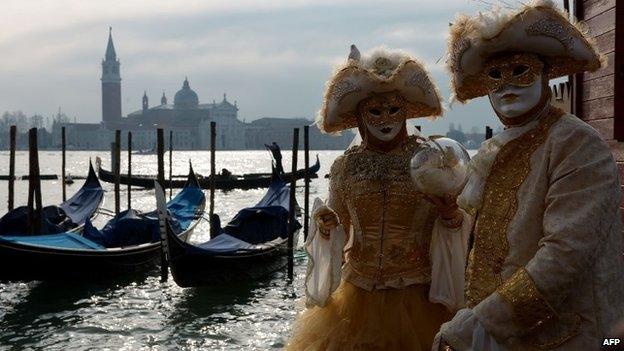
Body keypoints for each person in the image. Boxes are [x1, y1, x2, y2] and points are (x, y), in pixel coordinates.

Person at [433, 1, 624, 350]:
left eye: (520, 70)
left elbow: (566, 254)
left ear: (545, 75)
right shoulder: (498, 148)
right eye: (495, 75)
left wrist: (483, 322)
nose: (507, 85)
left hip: (570, 336)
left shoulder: (576, 143)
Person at [286, 46, 471, 351]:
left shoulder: (429, 161)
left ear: (406, 112)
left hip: (419, 295)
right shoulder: (345, 167)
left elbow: (456, 223)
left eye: (393, 109)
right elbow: (338, 226)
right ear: (360, 116)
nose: (385, 118)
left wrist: (450, 215)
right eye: (375, 111)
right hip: (355, 296)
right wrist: (326, 224)